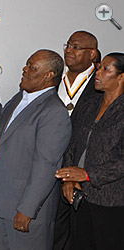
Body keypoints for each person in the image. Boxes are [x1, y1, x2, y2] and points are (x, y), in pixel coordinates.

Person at [0, 49, 72, 250]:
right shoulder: (20, 98)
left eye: (32, 66)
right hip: (3, 204)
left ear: (49, 76)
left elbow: (46, 165)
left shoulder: (54, 111)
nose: (25, 69)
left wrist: (27, 210)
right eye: (27, 64)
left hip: (27, 210)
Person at [55, 52, 124, 250]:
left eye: (105, 69)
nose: (98, 72)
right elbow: (71, 141)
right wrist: (70, 178)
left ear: (121, 77)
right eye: (99, 67)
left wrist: (87, 174)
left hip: (111, 200)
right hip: (79, 195)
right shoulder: (89, 104)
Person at [53, 30, 99, 250]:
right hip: (51, 165)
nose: (69, 50)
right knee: (55, 231)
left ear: (93, 54)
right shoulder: (52, 79)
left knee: (82, 234)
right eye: (68, 45)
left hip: (84, 169)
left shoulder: (102, 85)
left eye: (76, 47)